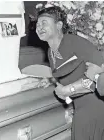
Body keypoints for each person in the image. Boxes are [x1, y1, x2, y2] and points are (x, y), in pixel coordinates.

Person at [35, 3, 104, 140]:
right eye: (37, 24)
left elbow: (100, 72)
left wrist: (69, 90)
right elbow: (67, 70)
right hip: (81, 107)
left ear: (59, 25)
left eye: (44, 23)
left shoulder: (76, 42)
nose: (39, 27)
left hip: (95, 107)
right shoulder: (51, 51)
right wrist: (50, 80)